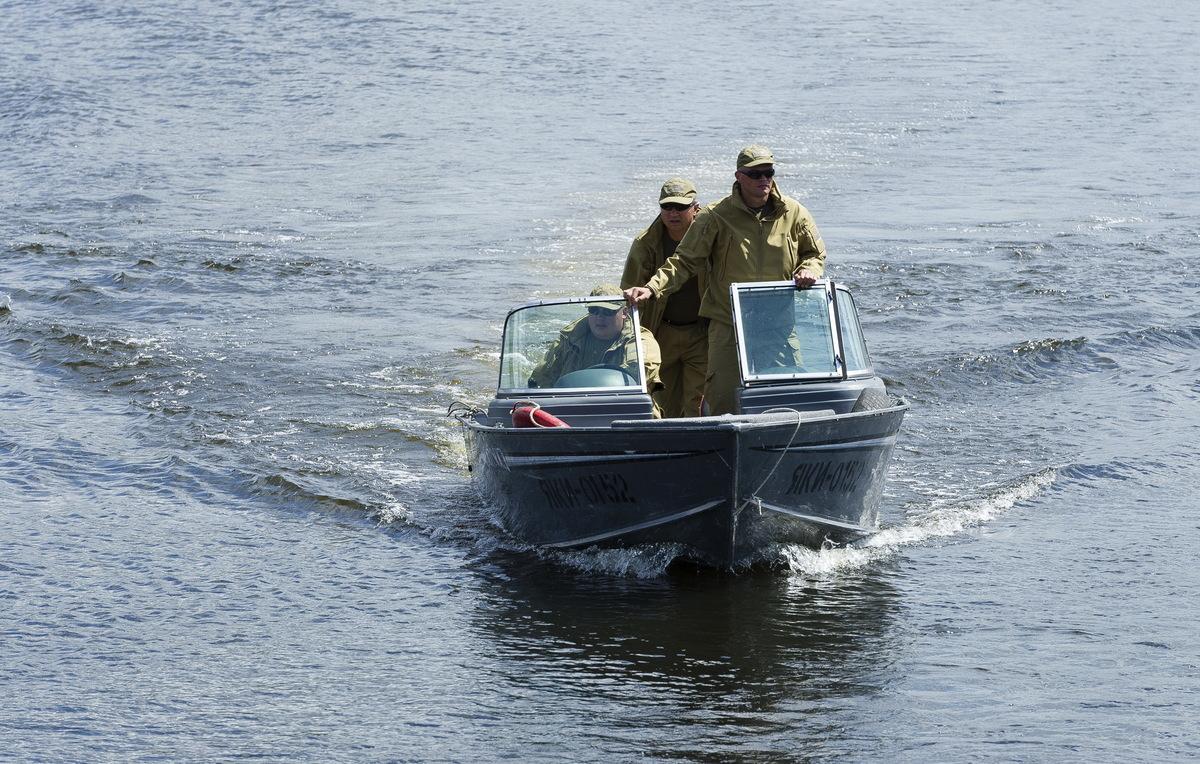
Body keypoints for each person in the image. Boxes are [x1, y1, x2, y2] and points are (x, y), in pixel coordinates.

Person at [624, 145, 826, 415]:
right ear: (739, 177)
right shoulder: (715, 215)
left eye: (769, 173)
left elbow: (815, 254)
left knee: (785, 398)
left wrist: (809, 269)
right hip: (727, 323)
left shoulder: (794, 213)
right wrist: (651, 288)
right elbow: (684, 260)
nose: (764, 180)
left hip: (777, 323)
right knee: (721, 401)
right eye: (755, 175)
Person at [620, 177, 707, 418]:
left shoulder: (710, 236)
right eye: (666, 207)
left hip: (702, 331)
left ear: (695, 208)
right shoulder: (645, 242)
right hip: (662, 332)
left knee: (696, 404)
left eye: (680, 207)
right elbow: (628, 289)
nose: (673, 213)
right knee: (661, 401)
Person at [528, 285, 664, 416]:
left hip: (625, 411)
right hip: (572, 410)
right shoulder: (569, 338)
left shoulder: (641, 341)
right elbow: (541, 379)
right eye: (594, 310)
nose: (600, 317)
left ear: (624, 312)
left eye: (608, 311)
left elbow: (639, 374)